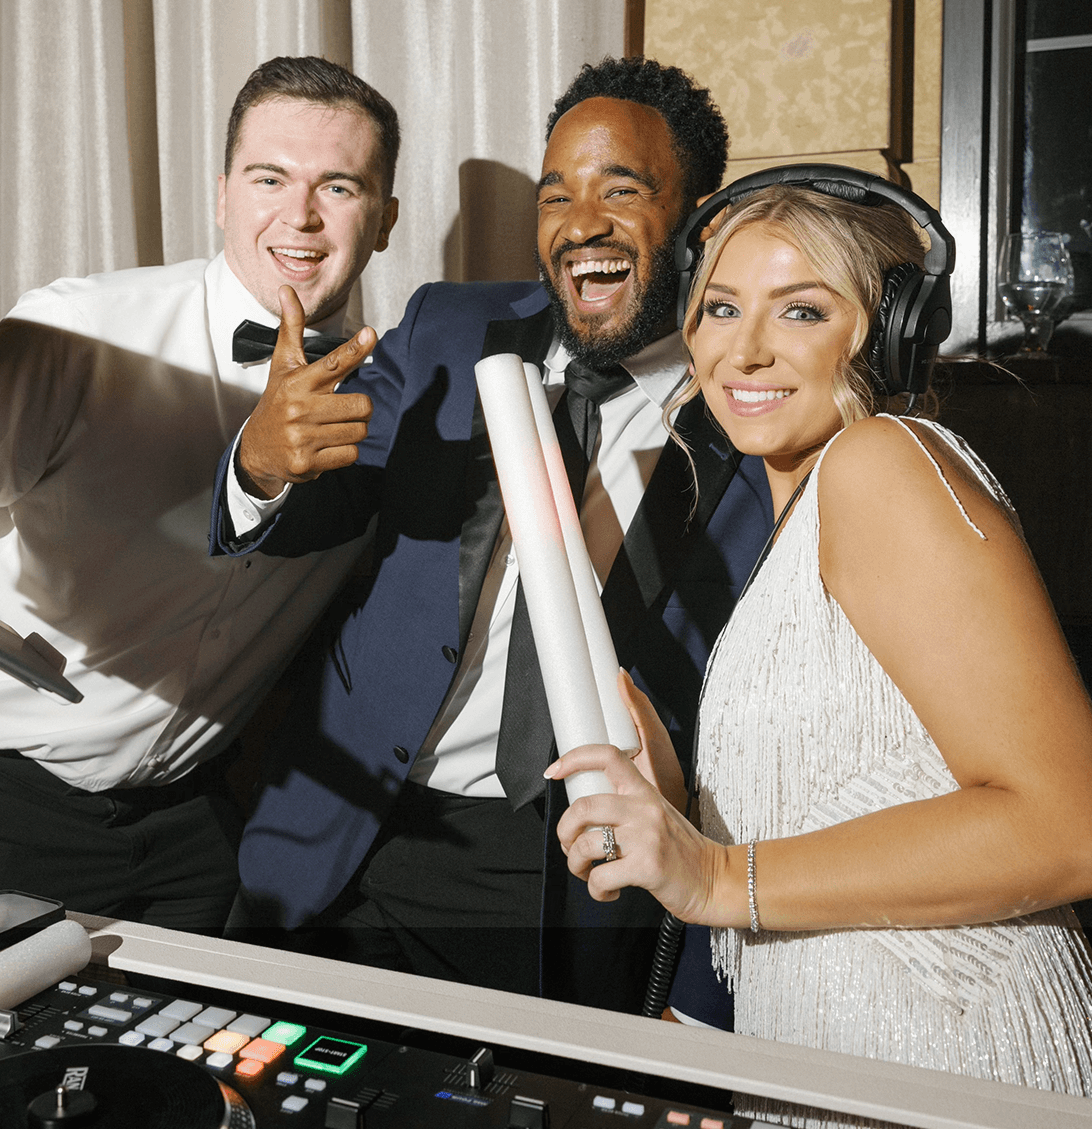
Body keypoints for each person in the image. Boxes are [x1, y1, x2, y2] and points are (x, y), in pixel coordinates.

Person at [548, 183, 1092, 1129]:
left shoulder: (882, 465)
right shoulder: (804, 515)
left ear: (887, 334)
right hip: (836, 1076)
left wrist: (715, 873)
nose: (745, 350)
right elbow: (853, 808)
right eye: (721, 307)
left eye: (801, 310)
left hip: (955, 1083)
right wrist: (676, 801)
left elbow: (1077, 833)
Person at [0, 55, 400, 932]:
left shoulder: (399, 400)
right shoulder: (73, 333)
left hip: (193, 825)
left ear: (385, 219)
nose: (299, 215)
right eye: (269, 179)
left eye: (338, 187)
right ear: (222, 197)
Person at [212, 56, 776, 1011]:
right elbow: (320, 508)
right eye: (556, 196)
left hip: (565, 881)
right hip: (350, 837)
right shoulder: (448, 327)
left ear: (702, 220)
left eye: (621, 191)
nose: (580, 224)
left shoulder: (754, 408)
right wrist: (261, 465)